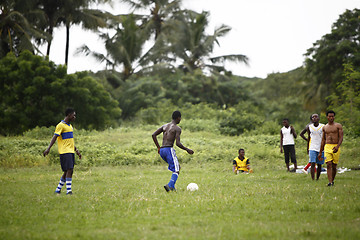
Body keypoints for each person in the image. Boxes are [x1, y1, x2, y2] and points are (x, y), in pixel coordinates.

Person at [152, 110, 194, 192]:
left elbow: (154, 135)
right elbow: (178, 143)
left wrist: (158, 147)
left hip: (162, 150)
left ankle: (173, 188)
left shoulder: (165, 126)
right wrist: (187, 149)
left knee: (177, 167)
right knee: (176, 169)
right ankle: (170, 185)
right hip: (168, 150)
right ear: (178, 118)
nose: (180, 120)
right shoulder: (177, 128)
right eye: (180, 118)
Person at [43, 108, 82, 195]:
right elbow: (55, 137)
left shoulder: (70, 126)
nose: (74, 117)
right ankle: (69, 191)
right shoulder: (60, 125)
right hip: (64, 151)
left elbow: (70, 141)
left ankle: (58, 189)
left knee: (67, 171)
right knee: (70, 170)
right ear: (68, 115)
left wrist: (76, 151)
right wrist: (48, 148)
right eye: (73, 115)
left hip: (71, 151)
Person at [319, 110, 343, 186]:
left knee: (334, 165)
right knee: (328, 164)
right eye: (330, 116)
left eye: (332, 116)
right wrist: (320, 152)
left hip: (335, 146)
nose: (331, 118)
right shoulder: (325, 127)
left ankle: (332, 180)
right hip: (327, 147)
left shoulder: (338, 126)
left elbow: (341, 137)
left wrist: (337, 146)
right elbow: (323, 139)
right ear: (327, 117)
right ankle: (330, 182)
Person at [305, 114, 325, 180]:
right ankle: (313, 179)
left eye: (316, 117)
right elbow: (309, 137)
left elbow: (325, 137)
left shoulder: (323, 126)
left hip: (320, 148)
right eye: (313, 117)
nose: (314, 118)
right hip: (312, 147)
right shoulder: (309, 127)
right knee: (312, 163)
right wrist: (308, 148)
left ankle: (317, 178)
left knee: (319, 164)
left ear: (318, 118)